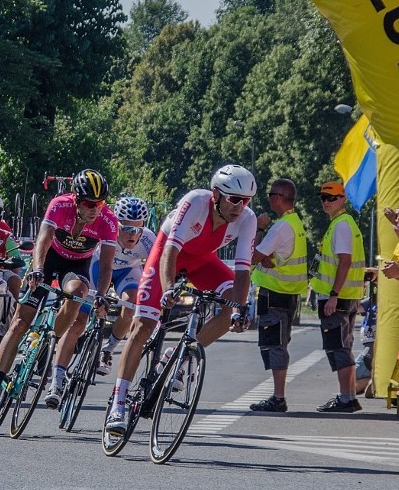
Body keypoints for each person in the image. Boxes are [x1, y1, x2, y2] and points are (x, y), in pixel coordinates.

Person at [104, 164, 257, 433]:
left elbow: (243, 269)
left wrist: (240, 309)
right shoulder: (195, 202)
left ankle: (182, 355)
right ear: (216, 195)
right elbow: (170, 252)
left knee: (232, 302)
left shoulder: (247, 219)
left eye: (246, 201)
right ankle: (119, 403)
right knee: (143, 326)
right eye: (234, 199)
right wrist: (168, 289)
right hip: (167, 255)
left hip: (202, 261)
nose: (240, 207)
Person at [0, 169, 119, 415]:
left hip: (77, 266)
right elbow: (42, 241)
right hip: (48, 260)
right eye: (89, 203)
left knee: (77, 292)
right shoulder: (59, 205)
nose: (95, 209)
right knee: (20, 323)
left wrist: (101, 293)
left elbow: (107, 264)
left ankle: (50, 338)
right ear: (76, 200)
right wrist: (36, 269)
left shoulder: (108, 220)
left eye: (99, 203)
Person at [247, 178, 309, 413]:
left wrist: (260, 227)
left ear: (281, 198)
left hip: (275, 294)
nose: (269, 197)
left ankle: (278, 397)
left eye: (272, 194)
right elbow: (274, 257)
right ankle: (277, 395)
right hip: (287, 294)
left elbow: (253, 256)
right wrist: (266, 257)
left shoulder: (281, 226)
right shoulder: (294, 223)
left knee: (275, 345)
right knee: (278, 343)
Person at [310, 180, 366, 414]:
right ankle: (349, 396)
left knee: (339, 347)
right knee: (343, 346)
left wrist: (333, 295)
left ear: (343, 199)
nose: (326, 202)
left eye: (331, 197)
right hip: (345, 296)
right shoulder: (341, 224)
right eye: (323, 197)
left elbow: (345, 261)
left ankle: (346, 398)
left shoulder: (342, 225)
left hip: (338, 297)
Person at [90, 195, 156, 375]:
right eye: (126, 228)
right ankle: (86, 336)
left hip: (127, 271)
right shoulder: (105, 228)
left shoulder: (149, 239)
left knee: (130, 306)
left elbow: (156, 268)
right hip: (99, 265)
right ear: (116, 224)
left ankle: (108, 349)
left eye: (138, 229)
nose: (133, 234)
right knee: (90, 303)